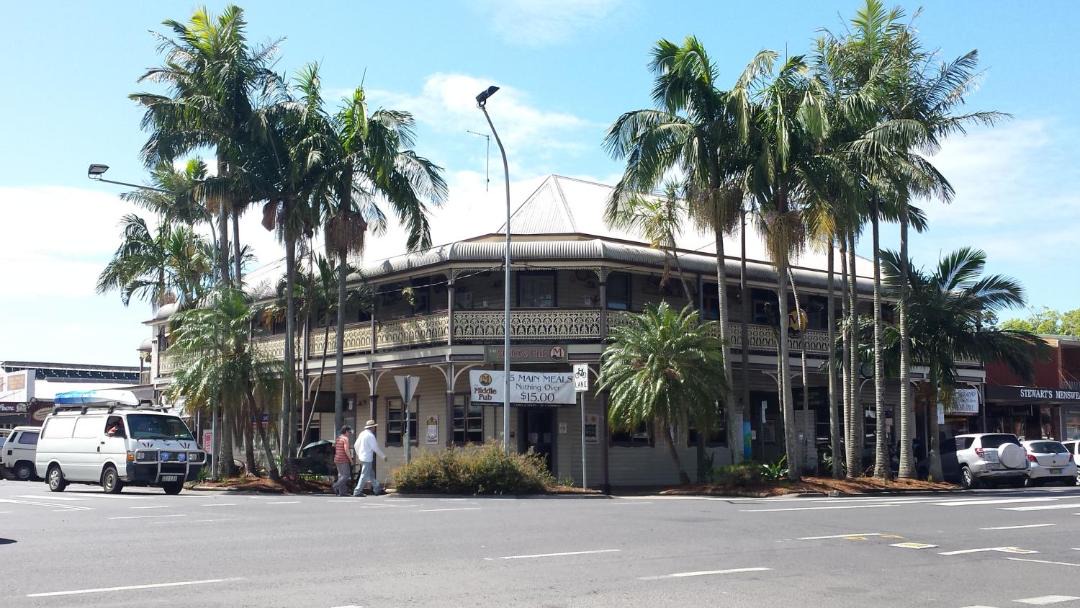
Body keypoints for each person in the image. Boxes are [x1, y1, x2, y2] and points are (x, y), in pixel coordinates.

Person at [353, 419, 386, 497]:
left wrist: (359, 454)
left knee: (371, 474)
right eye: (374, 427)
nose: (374, 428)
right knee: (364, 475)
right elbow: (375, 447)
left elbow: (355, 445)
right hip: (367, 458)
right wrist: (383, 456)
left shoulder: (362, 434)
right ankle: (357, 491)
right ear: (372, 427)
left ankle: (377, 489)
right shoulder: (370, 436)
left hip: (362, 457)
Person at [332, 425, 354, 497]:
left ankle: (342, 492)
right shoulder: (345, 439)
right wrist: (351, 459)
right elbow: (346, 450)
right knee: (346, 475)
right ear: (346, 432)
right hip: (343, 459)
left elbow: (334, 446)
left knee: (341, 475)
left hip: (337, 458)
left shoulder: (338, 438)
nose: (349, 434)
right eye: (349, 432)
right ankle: (335, 485)